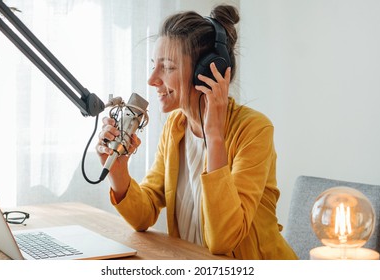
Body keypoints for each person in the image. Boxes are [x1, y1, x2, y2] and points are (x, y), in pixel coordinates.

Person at [96, 5, 297, 260]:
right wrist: (118, 169)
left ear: (206, 71)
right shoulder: (176, 127)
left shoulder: (254, 130)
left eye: (167, 67)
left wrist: (214, 136)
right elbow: (144, 214)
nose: (152, 79)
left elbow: (224, 239)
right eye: (153, 65)